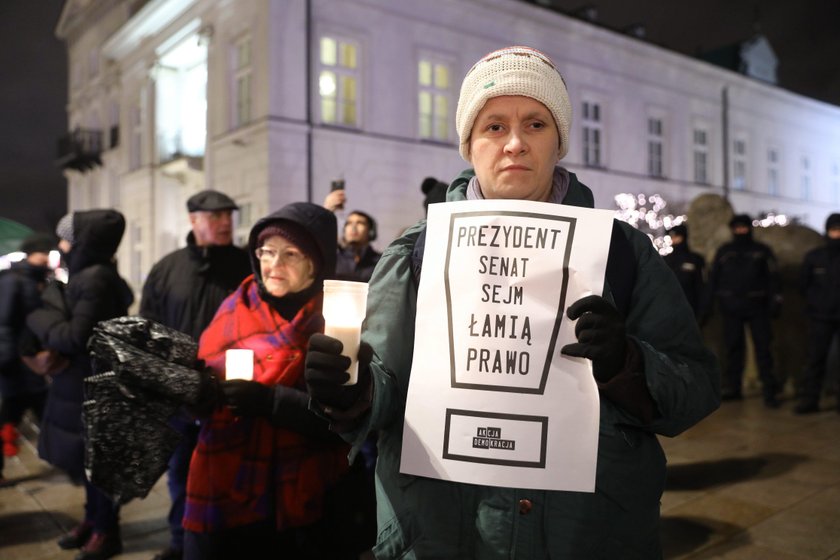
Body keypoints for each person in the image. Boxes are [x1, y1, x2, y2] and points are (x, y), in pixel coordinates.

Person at [303, 46, 721, 558]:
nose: (515, 144)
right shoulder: (419, 249)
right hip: (444, 532)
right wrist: (351, 389)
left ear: (559, 140)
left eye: (536, 124)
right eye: (494, 126)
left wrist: (627, 363)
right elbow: (384, 389)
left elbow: (696, 388)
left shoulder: (620, 252)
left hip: (585, 534)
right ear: (469, 144)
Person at [182, 202, 369, 559]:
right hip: (224, 485)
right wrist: (199, 394)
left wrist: (271, 402)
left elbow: (348, 422)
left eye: (291, 254)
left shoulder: (337, 321)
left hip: (305, 497)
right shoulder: (236, 307)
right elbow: (201, 386)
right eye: (266, 252)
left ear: (317, 262)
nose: (274, 264)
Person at [140, 189, 251, 560]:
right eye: (215, 216)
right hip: (179, 396)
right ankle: (180, 540)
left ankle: (229, 539)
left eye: (228, 216)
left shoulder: (245, 265)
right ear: (193, 220)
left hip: (229, 392)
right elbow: (149, 331)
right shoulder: (168, 269)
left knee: (234, 470)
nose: (225, 223)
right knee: (180, 472)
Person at [26, 210, 134, 560]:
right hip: (84, 384)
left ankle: (106, 531)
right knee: (89, 462)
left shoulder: (94, 279)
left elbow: (76, 337)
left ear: (82, 243)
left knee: (100, 467)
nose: (61, 245)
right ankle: (93, 521)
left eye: (67, 238)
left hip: (93, 385)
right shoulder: (91, 275)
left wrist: (39, 316)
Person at [708, 213, 783, 407]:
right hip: (731, 307)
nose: (740, 231)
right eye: (737, 228)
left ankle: (769, 390)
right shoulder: (725, 251)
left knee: (763, 349)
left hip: (757, 307)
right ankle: (734, 387)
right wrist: (717, 301)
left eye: (744, 227)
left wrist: (775, 302)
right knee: (733, 349)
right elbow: (714, 278)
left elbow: (773, 278)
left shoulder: (762, 251)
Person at [0, 233, 54, 483]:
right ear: (33, 254)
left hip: (32, 357)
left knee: (36, 406)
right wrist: (8, 356)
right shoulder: (14, 280)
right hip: (16, 359)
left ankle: (57, 454)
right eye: (43, 254)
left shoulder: (39, 280)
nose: (47, 259)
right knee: (14, 408)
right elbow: (5, 321)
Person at [795, 213, 840, 414]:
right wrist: (816, 303)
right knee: (815, 359)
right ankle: (810, 399)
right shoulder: (815, 257)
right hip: (820, 316)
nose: (837, 234)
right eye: (834, 230)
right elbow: (803, 285)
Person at [323, 190, 382, 282]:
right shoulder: (333, 259)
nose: (353, 227)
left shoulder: (381, 262)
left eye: (360, 223)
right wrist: (326, 210)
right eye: (349, 223)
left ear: (370, 231)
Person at [663, 224, 706, 318]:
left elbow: (701, 286)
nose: (674, 240)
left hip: (691, 307)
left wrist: (702, 311)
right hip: (669, 309)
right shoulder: (665, 260)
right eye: (672, 237)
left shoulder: (695, 259)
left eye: (677, 237)